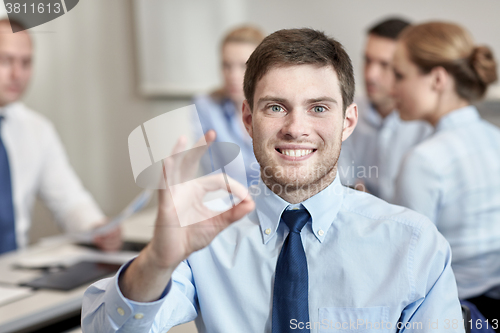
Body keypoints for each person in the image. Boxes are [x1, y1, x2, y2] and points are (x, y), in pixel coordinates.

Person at [82, 28, 464, 332]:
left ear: (347, 121)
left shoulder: (413, 245)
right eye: (276, 107)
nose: (296, 128)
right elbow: (106, 329)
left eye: (318, 108)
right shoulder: (205, 235)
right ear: (248, 119)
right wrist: (157, 261)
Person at [392, 21, 500, 327]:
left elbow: (408, 265)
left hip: (461, 314)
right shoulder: (496, 138)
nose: (392, 88)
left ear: (438, 78)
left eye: (400, 75)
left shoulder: (425, 160)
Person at [0, 19, 121, 253]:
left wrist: (97, 228)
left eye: (26, 63)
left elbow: (69, 200)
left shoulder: (36, 129)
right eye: (5, 60)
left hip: (12, 274)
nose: (17, 74)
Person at [338, 18, 431, 201]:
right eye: (368, 60)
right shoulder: (344, 111)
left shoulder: (427, 126)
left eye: (384, 65)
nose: (370, 74)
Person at [193, 25, 264, 187]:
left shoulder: (279, 109)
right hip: (228, 202)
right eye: (226, 65)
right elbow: (212, 173)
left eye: (244, 66)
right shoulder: (206, 107)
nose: (233, 75)